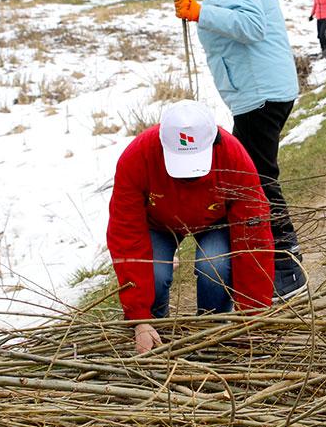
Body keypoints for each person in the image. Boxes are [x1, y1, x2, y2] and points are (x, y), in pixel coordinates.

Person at [169, 0, 306, 298]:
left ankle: (287, 268)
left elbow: (251, 26)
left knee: (259, 179)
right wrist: (202, 10)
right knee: (251, 176)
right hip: (259, 89)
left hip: (260, 92)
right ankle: (259, 262)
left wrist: (201, 13)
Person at [106, 99, 274, 354]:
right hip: (158, 222)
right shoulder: (137, 157)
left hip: (214, 220)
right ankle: (155, 332)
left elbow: (254, 238)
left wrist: (253, 316)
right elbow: (126, 235)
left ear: (214, 142)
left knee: (214, 265)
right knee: (154, 272)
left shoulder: (233, 156)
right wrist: (139, 318)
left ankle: (211, 332)